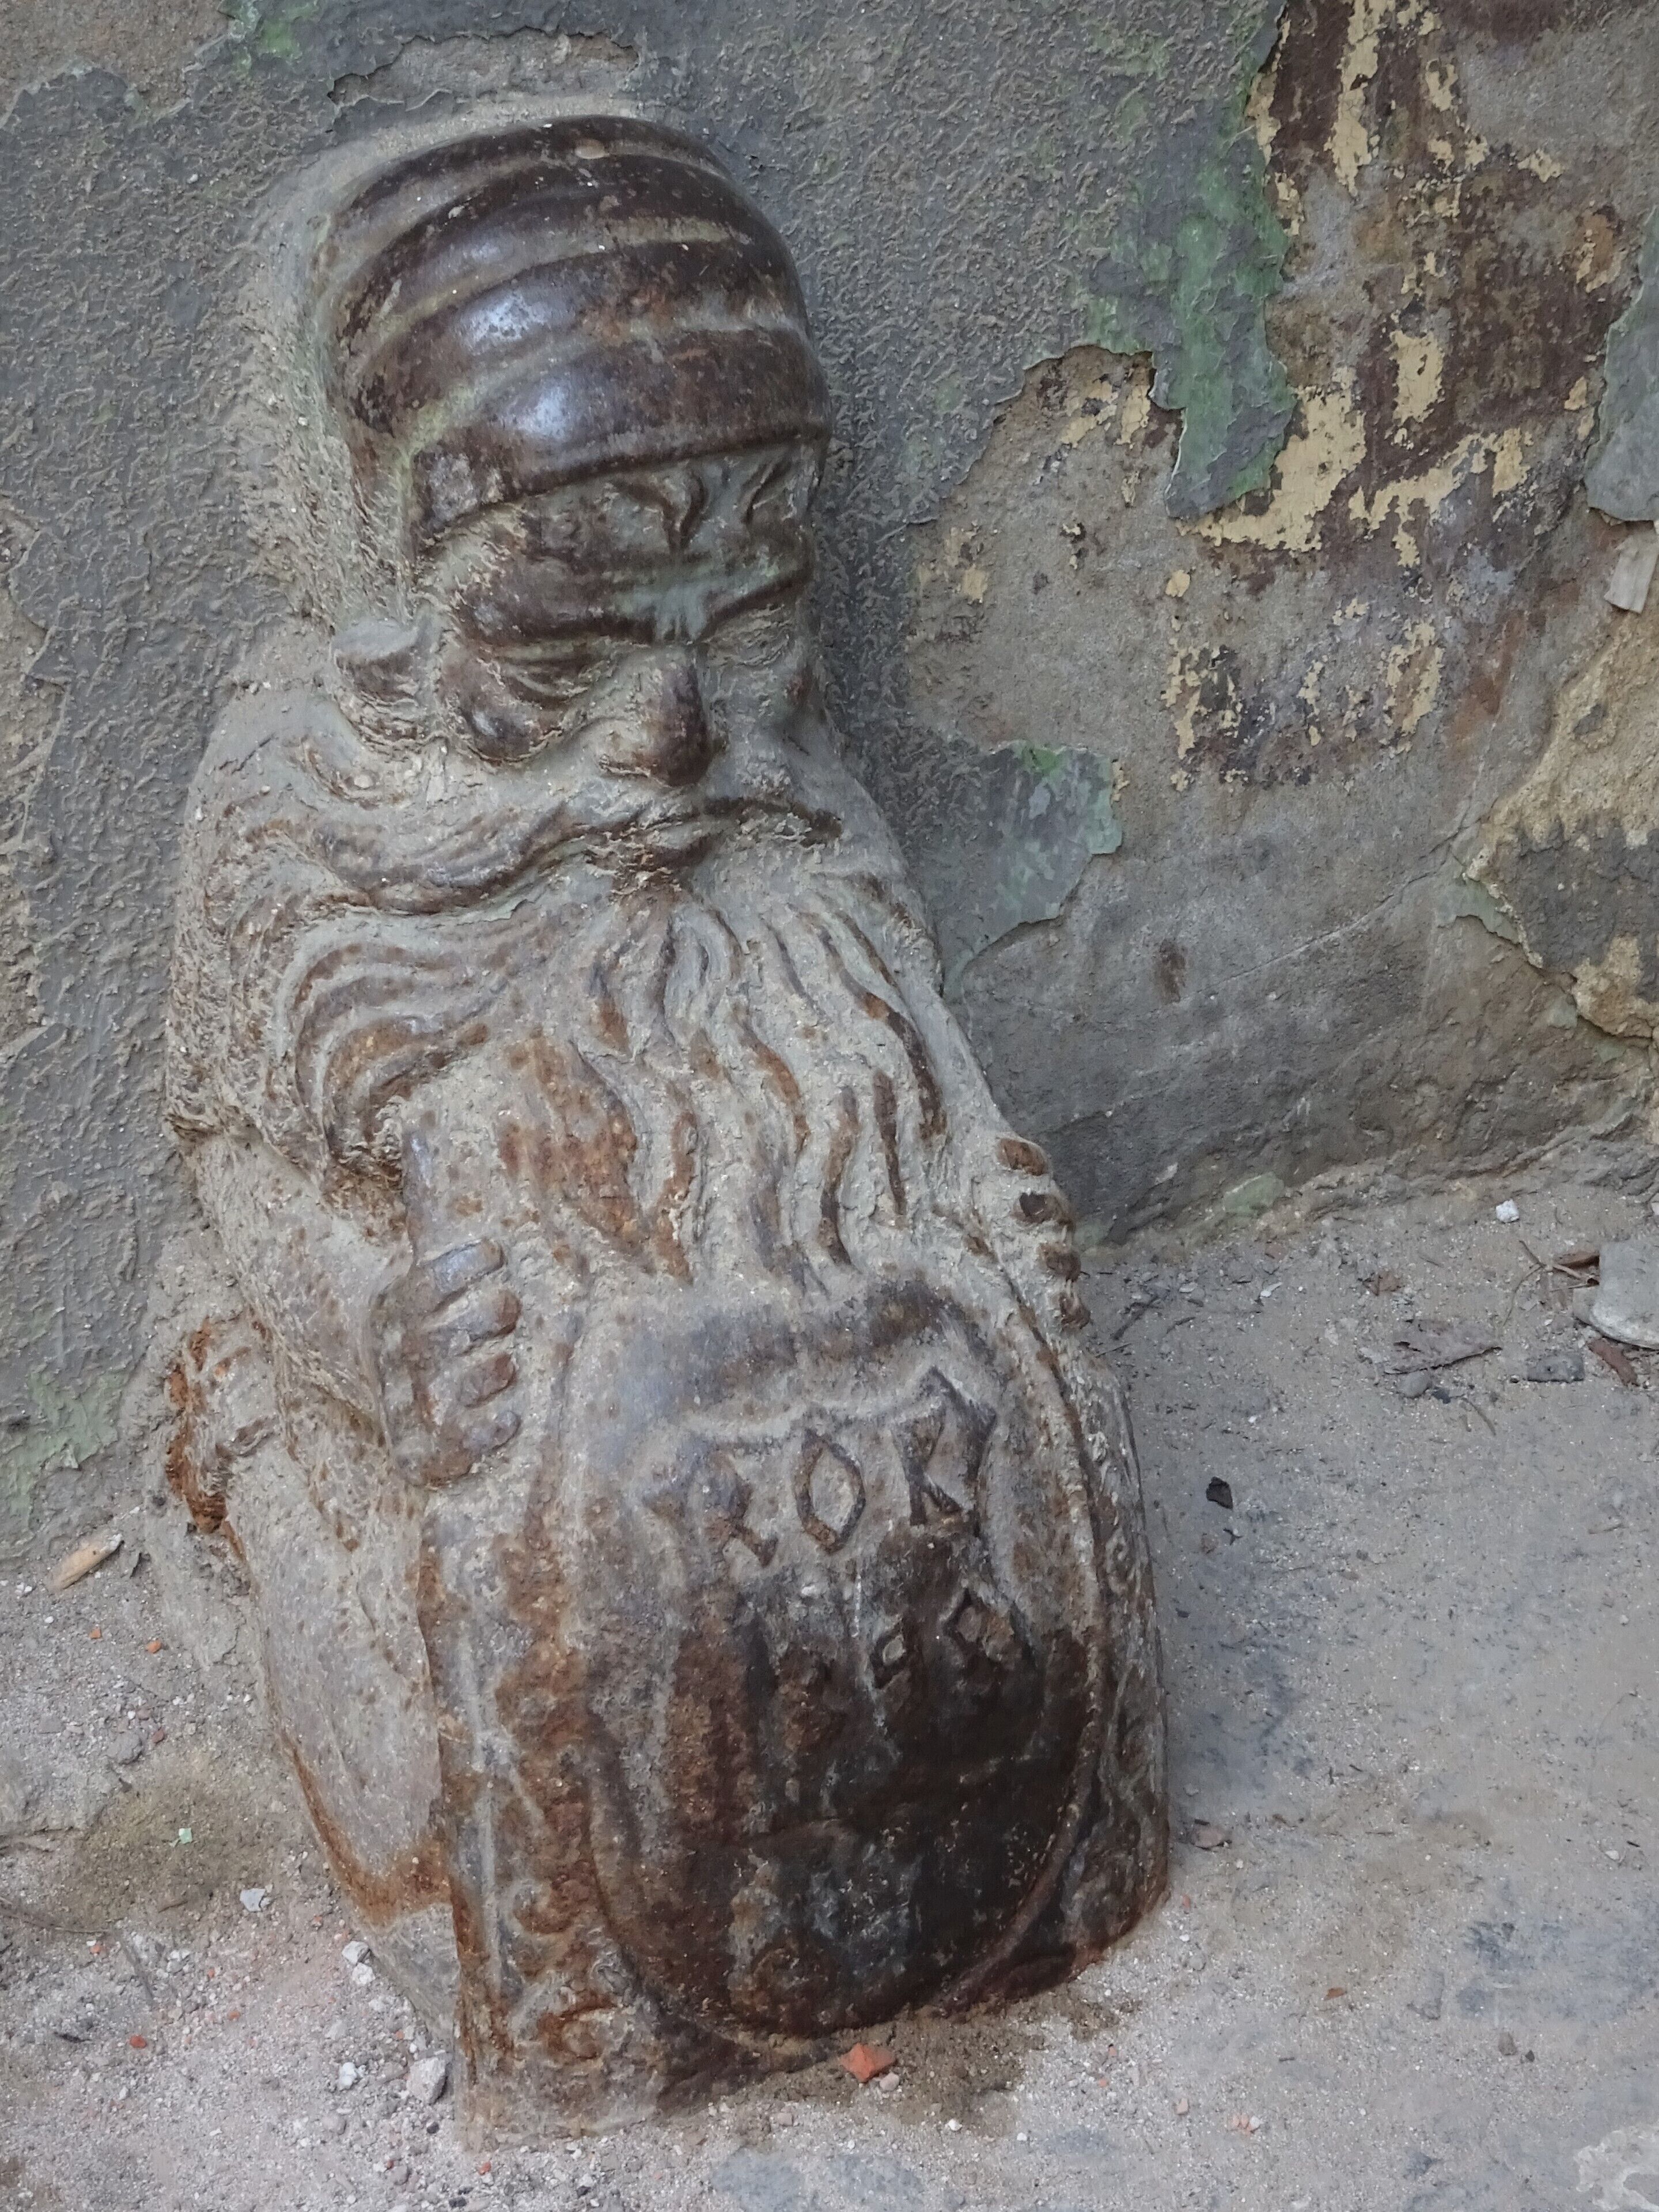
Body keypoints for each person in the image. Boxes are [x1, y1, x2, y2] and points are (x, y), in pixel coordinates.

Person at [165, 115, 1164, 2132]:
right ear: (392, 582)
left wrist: (993, 1210)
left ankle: (1021, 1890)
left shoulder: (779, 814)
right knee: (453, 1773)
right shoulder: (309, 837)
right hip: (469, 1427)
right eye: (571, 636)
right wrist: (356, 1329)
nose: (684, 728)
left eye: (748, 611)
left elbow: (913, 1082)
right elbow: (247, 1162)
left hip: (827, 1475)